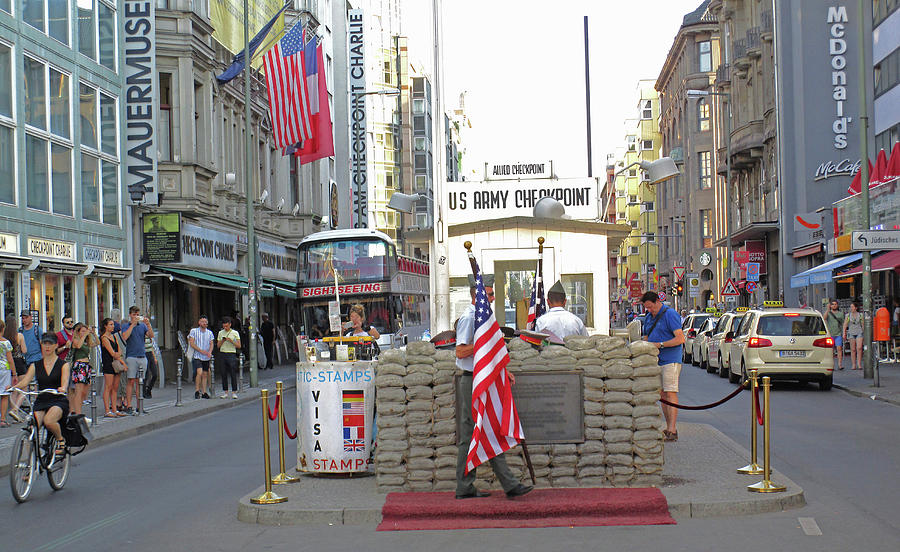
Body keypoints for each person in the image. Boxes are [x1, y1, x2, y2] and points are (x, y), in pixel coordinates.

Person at [454, 273, 533, 500]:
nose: (491, 297)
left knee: (489, 428)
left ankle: (507, 483)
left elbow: (489, 352)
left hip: (485, 377)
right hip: (472, 379)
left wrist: (502, 370)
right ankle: (467, 486)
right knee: (471, 434)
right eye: (488, 294)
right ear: (476, 295)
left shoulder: (483, 318)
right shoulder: (470, 318)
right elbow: (460, 351)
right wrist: (483, 344)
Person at [12, 333, 70, 456]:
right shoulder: (35, 365)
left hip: (57, 399)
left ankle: (60, 440)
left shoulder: (63, 365)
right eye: (45, 343)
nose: (47, 347)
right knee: (32, 428)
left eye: (50, 344)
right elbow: (25, 381)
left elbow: (65, 382)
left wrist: (63, 388)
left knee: (49, 421)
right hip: (42, 400)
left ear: (56, 345)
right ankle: (29, 464)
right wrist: (12, 388)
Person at [640, 291, 685, 442]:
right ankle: (668, 427)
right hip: (655, 361)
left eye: (651, 307)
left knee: (670, 392)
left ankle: (672, 429)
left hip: (670, 359)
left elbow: (680, 338)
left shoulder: (670, 315)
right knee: (662, 395)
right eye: (647, 308)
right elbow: (646, 338)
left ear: (658, 301)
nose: (650, 310)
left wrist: (660, 344)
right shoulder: (648, 318)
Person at [120, 306, 154, 414]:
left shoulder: (142, 326)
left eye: (137, 315)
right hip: (131, 356)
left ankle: (140, 406)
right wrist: (132, 325)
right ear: (130, 315)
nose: (136, 317)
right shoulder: (126, 325)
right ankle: (129, 406)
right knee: (131, 381)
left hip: (142, 356)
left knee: (140, 382)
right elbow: (124, 337)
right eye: (134, 315)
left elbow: (151, 335)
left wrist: (148, 324)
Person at [68, 323, 97, 418]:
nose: (85, 333)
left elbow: (97, 343)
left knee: (84, 391)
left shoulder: (86, 341)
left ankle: (78, 410)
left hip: (86, 365)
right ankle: (78, 413)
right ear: (78, 332)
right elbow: (78, 346)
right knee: (78, 391)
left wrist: (93, 334)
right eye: (82, 331)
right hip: (79, 365)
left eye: (85, 331)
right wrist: (85, 335)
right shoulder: (76, 341)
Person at [99, 318, 126, 418]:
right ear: (105, 326)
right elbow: (112, 353)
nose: (112, 326)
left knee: (115, 388)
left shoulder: (114, 337)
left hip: (116, 364)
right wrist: (117, 354)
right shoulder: (104, 338)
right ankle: (107, 410)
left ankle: (114, 409)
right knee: (108, 387)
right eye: (110, 324)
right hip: (108, 364)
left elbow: (119, 351)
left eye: (113, 324)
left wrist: (120, 359)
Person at [5, 315, 27, 422]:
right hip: (19, 362)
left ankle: (15, 412)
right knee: (23, 388)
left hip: (9, 364)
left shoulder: (4, 337)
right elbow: (24, 350)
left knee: (13, 388)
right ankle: (15, 409)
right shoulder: (20, 336)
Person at [189, 315, 215, 399]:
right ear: (199, 322)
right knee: (199, 372)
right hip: (197, 355)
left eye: (206, 322)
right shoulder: (194, 331)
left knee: (205, 374)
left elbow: (211, 343)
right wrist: (200, 350)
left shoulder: (209, 333)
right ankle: (197, 390)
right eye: (203, 322)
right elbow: (191, 343)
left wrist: (210, 352)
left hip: (206, 356)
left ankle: (204, 391)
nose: (205, 323)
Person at [217, 316, 241, 399]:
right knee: (223, 373)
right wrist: (223, 340)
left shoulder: (235, 333)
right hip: (223, 353)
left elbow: (239, 345)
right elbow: (218, 346)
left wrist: (232, 341)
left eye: (227, 326)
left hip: (231, 353)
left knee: (232, 373)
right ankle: (225, 392)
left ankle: (234, 391)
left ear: (230, 324)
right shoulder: (220, 333)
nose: (225, 328)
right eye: (224, 326)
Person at [0, 318, 16, 427]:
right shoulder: (6, 343)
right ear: (2, 329)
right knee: (4, 395)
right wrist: (14, 374)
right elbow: (10, 359)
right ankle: (3, 419)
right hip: (4, 369)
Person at [824, 300, 846, 370]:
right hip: (830, 334)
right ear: (830, 305)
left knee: (839, 349)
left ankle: (840, 364)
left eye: (835, 304)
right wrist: (827, 309)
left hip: (838, 334)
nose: (834, 305)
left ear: (837, 305)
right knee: (831, 350)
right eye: (832, 304)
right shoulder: (829, 313)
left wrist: (844, 333)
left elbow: (843, 323)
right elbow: (824, 318)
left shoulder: (840, 314)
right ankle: (832, 364)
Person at [844, 301, 864, 371]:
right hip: (851, 332)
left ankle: (859, 363)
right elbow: (845, 325)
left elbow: (863, 324)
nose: (851, 308)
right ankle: (853, 364)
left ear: (856, 308)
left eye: (852, 307)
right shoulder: (848, 315)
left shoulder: (860, 315)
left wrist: (864, 332)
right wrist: (844, 333)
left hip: (859, 332)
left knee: (859, 348)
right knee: (853, 349)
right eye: (851, 307)